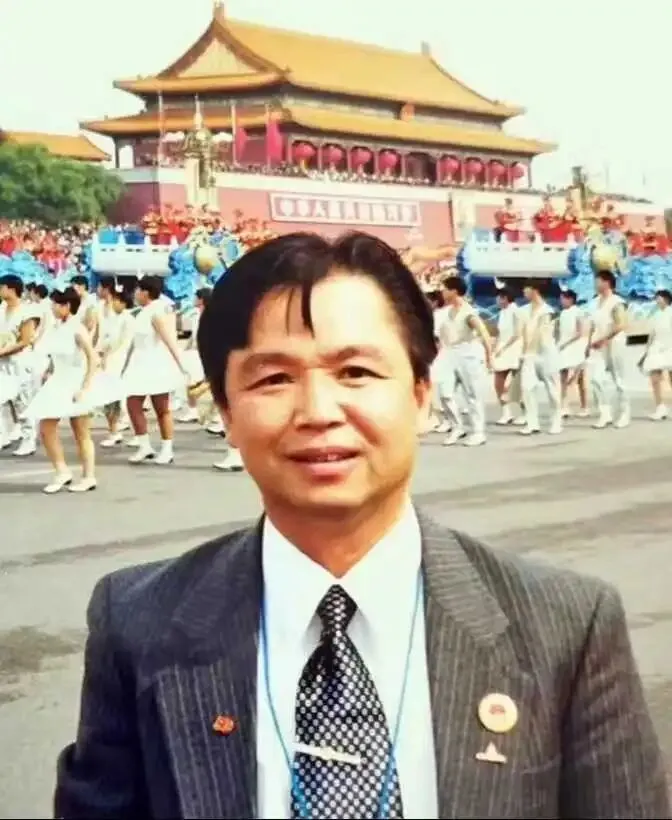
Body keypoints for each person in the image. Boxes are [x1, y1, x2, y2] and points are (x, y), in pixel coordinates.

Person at [54, 231, 669, 819]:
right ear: (227, 413)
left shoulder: (567, 627)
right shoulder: (138, 622)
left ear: (421, 396)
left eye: (356, 373)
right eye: (274, 379)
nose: (318, 411)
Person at [24, 287, 100, 493]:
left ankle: (89, 476)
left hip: (76, 381)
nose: (52, 308)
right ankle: (61, 471)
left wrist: (85, 387)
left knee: (81, 431)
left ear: (67, 306)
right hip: (58, 381)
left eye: (56, 305)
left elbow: (93, 359)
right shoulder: (56, 327)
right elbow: (53, 354)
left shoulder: (78, 328)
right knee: (46, 427)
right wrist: (49, 371)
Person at [122, 275, 187, 465]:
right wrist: (125, 365)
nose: (135, 293)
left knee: (161, 409)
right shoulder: (141, 312)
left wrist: (182, 366)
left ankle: (167, 449)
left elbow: (168, 340)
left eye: (138, 290)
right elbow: (134, 343)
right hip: (139, 365)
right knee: (133, 404)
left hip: (156, 365)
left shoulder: (157, 312)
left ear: (146, 292)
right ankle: (145, 446)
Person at [639, 288, 672, 420]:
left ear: (665, 299)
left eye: (659, 298)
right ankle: (660, 407)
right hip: (656, 349)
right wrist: (646, 351)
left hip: (669, 347)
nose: (656, 300)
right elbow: (651, 335)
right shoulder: (656, 315)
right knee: (655, 378)